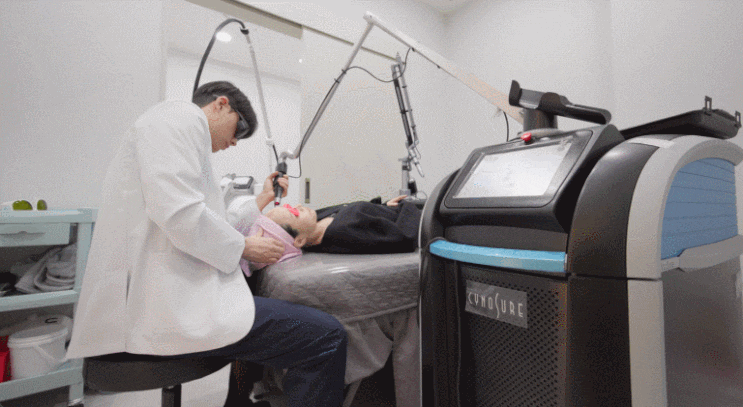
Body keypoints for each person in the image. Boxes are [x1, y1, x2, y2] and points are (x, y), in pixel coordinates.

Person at [66, 81, 348, 407]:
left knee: (250, 304)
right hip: (166, 310)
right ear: (221, 104)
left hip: (169, 301)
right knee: (326, 336)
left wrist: (261, 200)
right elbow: (181, 214)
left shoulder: (177, 134)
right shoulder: (178, 117)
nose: (235, 141)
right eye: (239, 129)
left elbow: (208, 220)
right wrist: (243, 247)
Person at [265, 195, 423, 255]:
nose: (299, 206)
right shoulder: (344, 232)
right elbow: (405, 237)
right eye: (294, 213)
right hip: (419, 219)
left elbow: (360, 212)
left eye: (290, 206)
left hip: (399, 210)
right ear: (299, 240)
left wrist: (384, 206)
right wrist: (408, 205)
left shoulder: (316, 219)